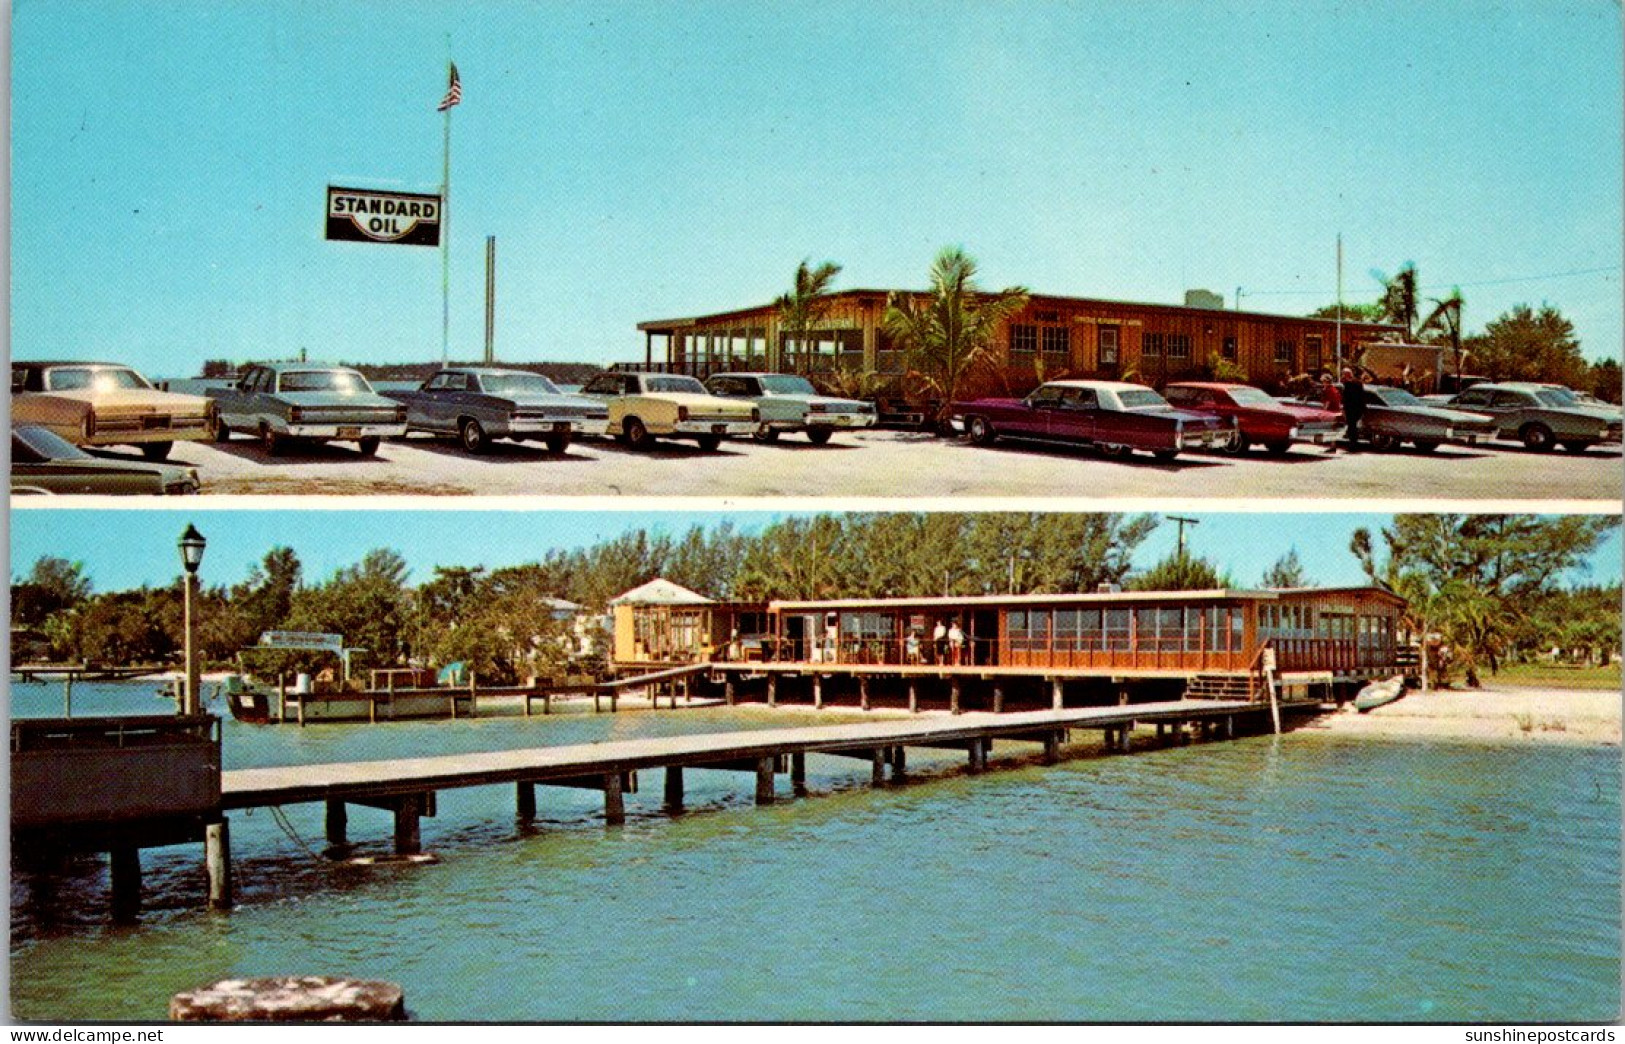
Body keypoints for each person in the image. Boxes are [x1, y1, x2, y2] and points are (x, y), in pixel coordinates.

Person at [1340, 366, 1366, 449]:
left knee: (1352, 426)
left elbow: (1346, 398)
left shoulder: (1348, 384)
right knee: (1353, 426)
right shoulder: (1358, 383)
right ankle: (1353, 443)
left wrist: (1343, 408)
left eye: (1343, 374)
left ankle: (1353, 444)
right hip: (1358, 408)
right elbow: (1362, 396)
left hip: (1351, 408)